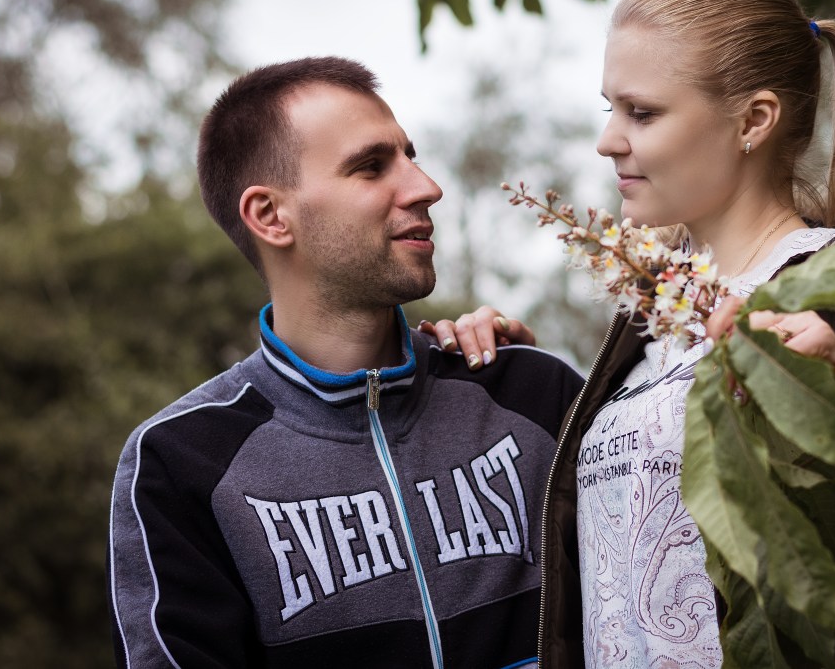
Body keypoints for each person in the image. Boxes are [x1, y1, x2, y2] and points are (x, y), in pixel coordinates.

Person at [427, 0, 835, 668]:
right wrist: (494, 375)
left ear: (754, 120)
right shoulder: (641, 326)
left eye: (642, 113)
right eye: (609, 108)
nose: (608, 140)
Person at [107, 56, 584, 669]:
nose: (426, 187)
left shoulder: (533, 393)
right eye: (371, 167)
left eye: (411, 156)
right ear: (270, 216)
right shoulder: (180, 461)